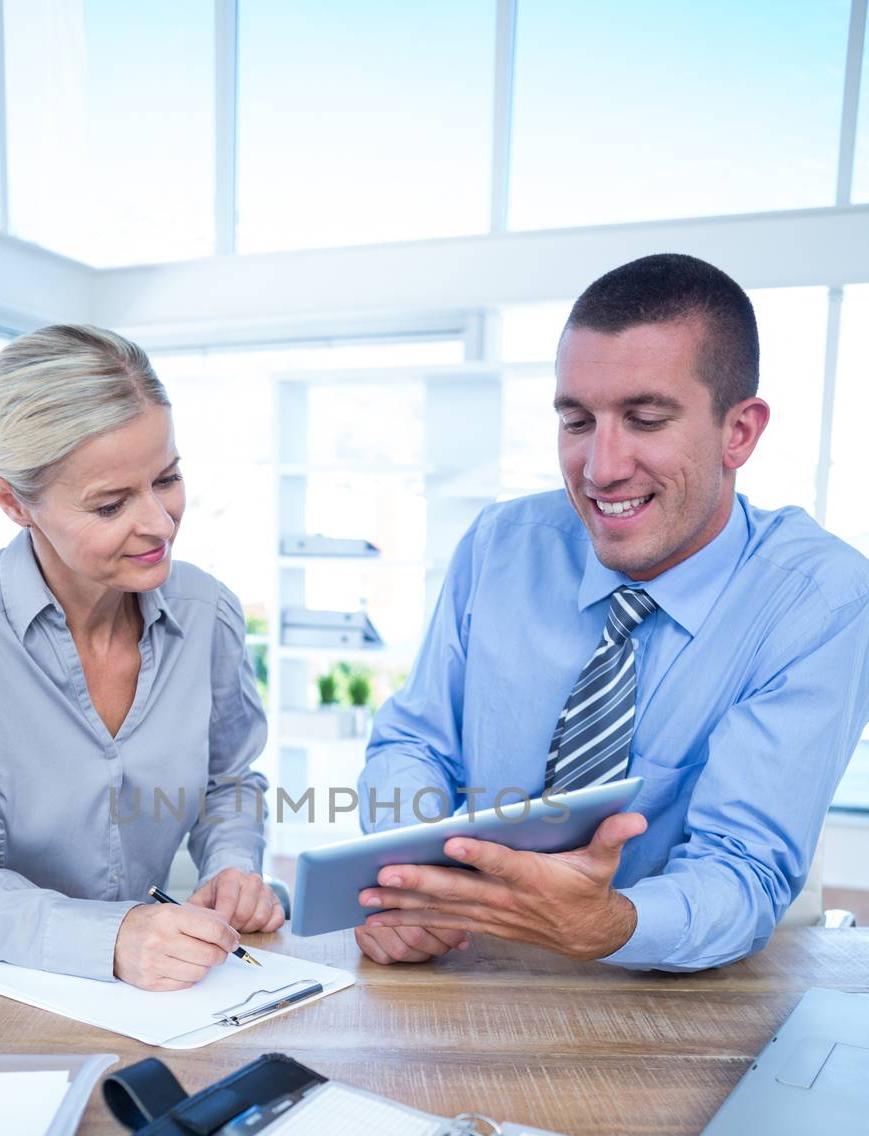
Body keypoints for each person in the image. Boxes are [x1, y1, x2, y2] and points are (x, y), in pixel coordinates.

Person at [355, 253, 869, 972]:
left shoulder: (818, 599)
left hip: (669, 995)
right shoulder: (501, 547)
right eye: (576, 420)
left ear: (739, 433)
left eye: (645, 419)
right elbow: (415, 743)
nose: (600, 468)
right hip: (478, 965)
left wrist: (612, 923)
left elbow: (744, 868)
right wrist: (409, 880)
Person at [0, 324, 283, 990]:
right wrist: (109, 938)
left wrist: (231, 869)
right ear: (12, 501)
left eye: (167, 478)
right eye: (111, 503)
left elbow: (228, 781)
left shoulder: (208, 611)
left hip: (171, 998)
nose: (157, 522)